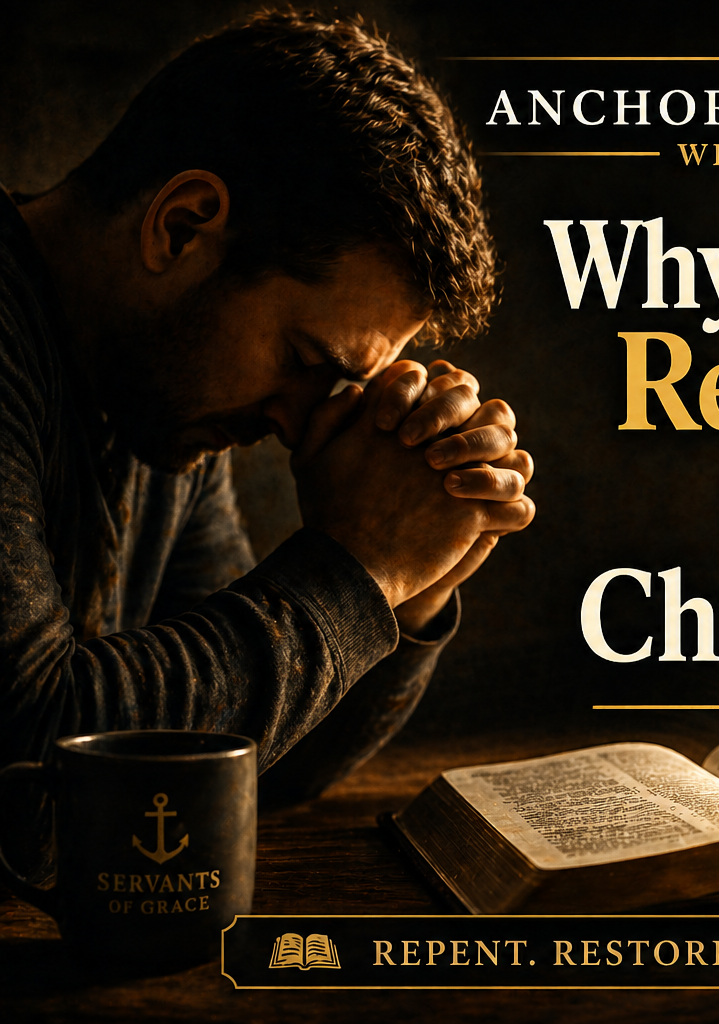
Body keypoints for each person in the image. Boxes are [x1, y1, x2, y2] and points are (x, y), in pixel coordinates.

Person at [0, 10, 532, 870]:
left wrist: (412, 584)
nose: (295, 422)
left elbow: (241, 764)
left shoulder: (162, 402)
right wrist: (360, 566)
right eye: (305, 360)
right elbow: (31, 773)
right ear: (182, 225)